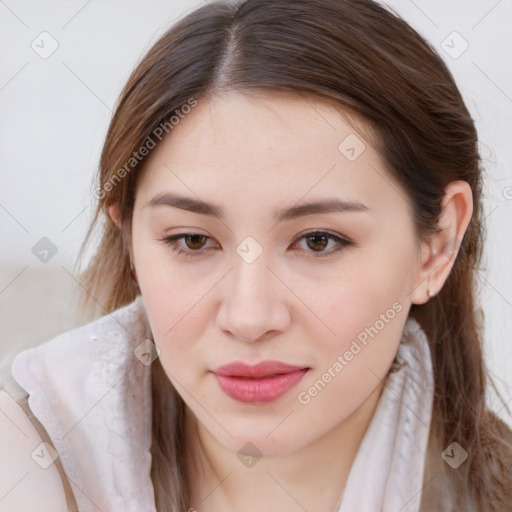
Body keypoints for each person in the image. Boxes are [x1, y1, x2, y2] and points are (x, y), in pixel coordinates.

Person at [1, 0, 511, 510]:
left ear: (437, 244)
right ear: (130, 243)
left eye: (318, 241)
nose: (249, 317)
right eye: (193, 241)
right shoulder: (25, 470)